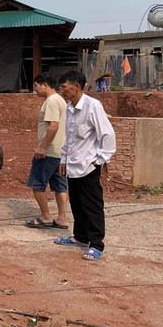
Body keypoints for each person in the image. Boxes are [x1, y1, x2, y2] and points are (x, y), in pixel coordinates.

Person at [54, 70, 116, 261]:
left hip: (88, 165)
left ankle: (96, 243)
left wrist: (99, 160)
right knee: (76, 202)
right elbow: (69, 138)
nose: (61, 91)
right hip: (72, 165)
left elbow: (107, 135)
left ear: (76, 86)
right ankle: (80, 236)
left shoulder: (92, 106)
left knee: (92, 205)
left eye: (64, 87)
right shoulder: (70, 107)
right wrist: (64, 160)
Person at [24, 73, 69, 229]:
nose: (34, 89)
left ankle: (45, 216)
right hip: (60, 151)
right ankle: (62, 217)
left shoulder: (51, 101)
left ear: (44, 85)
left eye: (36, 86)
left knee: (37, 183)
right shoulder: (60, 100)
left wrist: (42, 146)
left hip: (48, 151)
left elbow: (53, 125)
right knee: (60, 186)